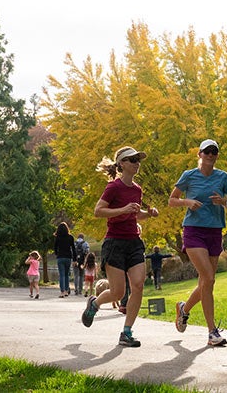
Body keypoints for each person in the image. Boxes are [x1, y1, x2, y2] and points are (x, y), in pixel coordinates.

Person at [80, 146, 160, 348]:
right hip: (115, 242)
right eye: (132, 160)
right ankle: (95, 303)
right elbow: (99, 211)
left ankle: (127, 332)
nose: (137, 163)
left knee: (138, 285)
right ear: (122, 164)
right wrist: (123, 209)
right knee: (117, 292)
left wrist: (148, 213)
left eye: (138, 160)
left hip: (134, 241)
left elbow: (135, 214)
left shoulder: (137, 189)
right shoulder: (113, 187)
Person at [169, 138, 227, 347]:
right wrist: (187, 202)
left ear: (216, 155)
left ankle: (184, 309)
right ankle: (212, 333)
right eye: (206, 151)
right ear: (199, 154)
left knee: (207, 282)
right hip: (193, 231)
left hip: (214, 231)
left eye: (214, 151)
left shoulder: (223, 177)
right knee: (208, 277)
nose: (210, 155)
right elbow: (172, 200)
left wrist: (224, 202)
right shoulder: (189, 176)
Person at [53, 222, 76, 298]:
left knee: (61, 275)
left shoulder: (58, 237)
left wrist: (57, 254)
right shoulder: (70, 237)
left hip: (60, 257)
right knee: (66, 275)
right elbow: (73, 248)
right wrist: (74, 259)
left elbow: (55, 247)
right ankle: (66, 291)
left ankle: (62, 291)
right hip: (68, 257)